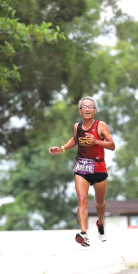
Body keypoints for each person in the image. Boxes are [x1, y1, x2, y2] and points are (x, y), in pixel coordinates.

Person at [49, 96, 115, 247]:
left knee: (99, 203)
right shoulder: (76, 127)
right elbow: (75, 139)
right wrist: (62, 148)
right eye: (84, 107)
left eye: (90, 106)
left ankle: (100, 223)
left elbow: (112, 145)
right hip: (82, 167)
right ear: (80, 111)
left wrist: (96, 141)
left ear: (95, 110)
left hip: (98, 167)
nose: (87, 109)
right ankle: (84, 234)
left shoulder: (101, 125)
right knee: (82, 200)